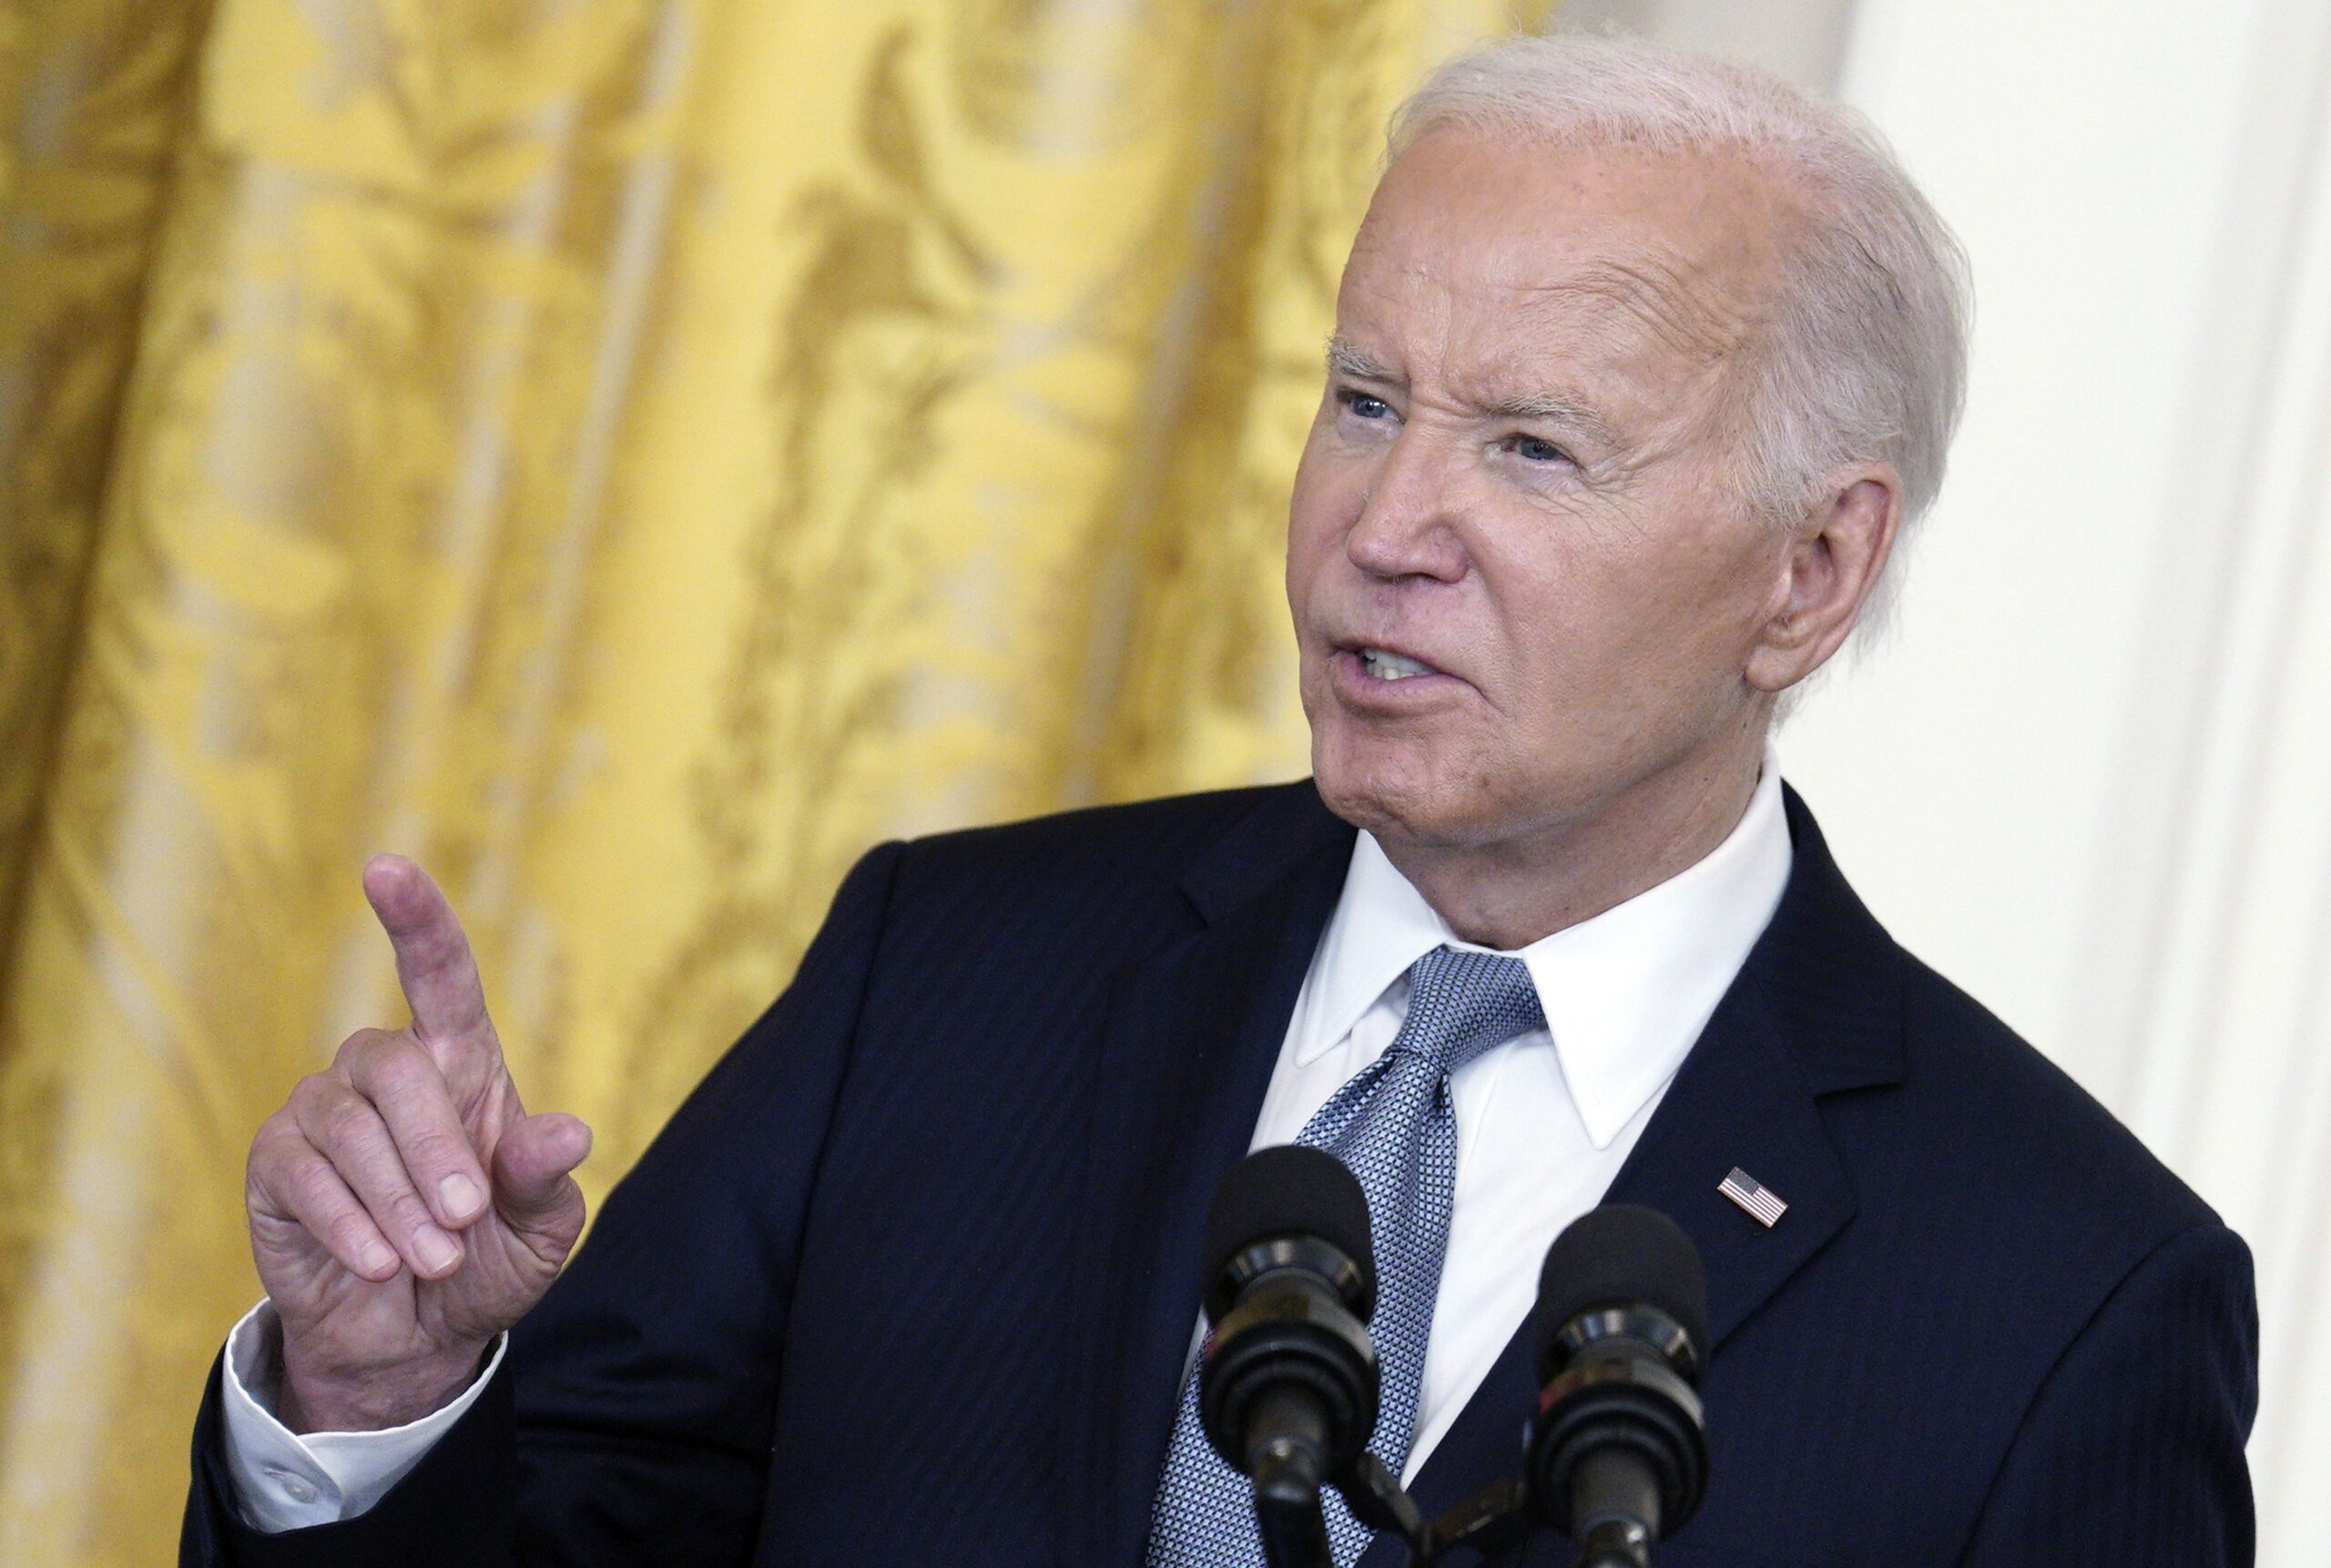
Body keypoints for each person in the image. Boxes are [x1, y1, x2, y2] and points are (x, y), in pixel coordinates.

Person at [179, 35, 2257, 1568]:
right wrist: (379, 1400)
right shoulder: (948, 981)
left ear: (1808, 574)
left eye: (1529, 450)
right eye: (1363, 402)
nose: (1381, 523)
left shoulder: (2062, 1305)